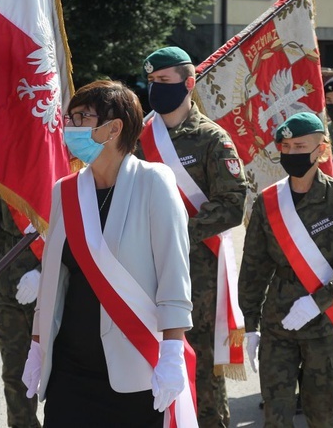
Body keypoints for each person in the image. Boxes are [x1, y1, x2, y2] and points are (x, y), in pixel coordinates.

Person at [22, 80, 195, 427]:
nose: (70, 127)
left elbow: (173, 272)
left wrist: (174, 351)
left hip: (134, 368)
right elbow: (55, 277)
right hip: (70, 371)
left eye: (82, 117)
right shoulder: (65, 191)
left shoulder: (154, 181)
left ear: (114, 128)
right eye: (69, 118)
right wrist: (37, 346)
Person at [239, 112, 333, 427]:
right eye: (285, 146)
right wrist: (250, 324)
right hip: (278, 325)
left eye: (300, 145)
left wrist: (320, 299)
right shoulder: (269, 201)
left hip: (325, 325)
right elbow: (253, 266)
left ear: (322, 150)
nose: (291, 153)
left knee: (326, 415)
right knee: (275, 416)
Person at [136, 46, 248, 427]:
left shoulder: (212, 139)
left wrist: (175, 231)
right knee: (147, 361)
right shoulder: (139, 137)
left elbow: (233, 203)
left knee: (200, 368)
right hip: (143, 268)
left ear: (188, 82)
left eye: (164, 81)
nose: (155, 88)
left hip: (197, 274)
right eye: (151, 81)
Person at [0, 194, 42, 427]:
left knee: (61, 378)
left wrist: (44, 272)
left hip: (55, 293)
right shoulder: (5, 179)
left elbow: (73, 236)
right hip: (9, 292)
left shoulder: (64, 170)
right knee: (16, 377)